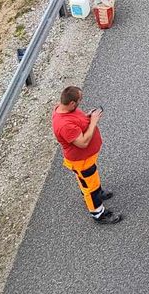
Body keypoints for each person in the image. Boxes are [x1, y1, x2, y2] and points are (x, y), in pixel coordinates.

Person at [52, 86, 122, 224]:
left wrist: (86, 117)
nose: (80, 103)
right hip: (81, 161)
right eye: (79, 101)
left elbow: (77, 122)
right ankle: (99, 214)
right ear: (72, 103)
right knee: (90, 188)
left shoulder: (64, 109)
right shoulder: (64, 125)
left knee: (89, 181)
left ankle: (96, 193)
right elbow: (83, 143)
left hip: (86, 159)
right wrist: (94, 121)